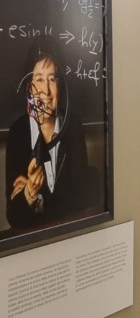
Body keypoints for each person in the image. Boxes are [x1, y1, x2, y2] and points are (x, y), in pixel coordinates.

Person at [5, 40, 97, 228]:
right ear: (28, 87)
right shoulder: (17, 133)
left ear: (60, 87)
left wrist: (38, 200)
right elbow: (14, 218)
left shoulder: (72, 126)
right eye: (39, 79)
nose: (46, 91)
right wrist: (30, 192)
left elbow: (81, 200)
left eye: (52, 79)